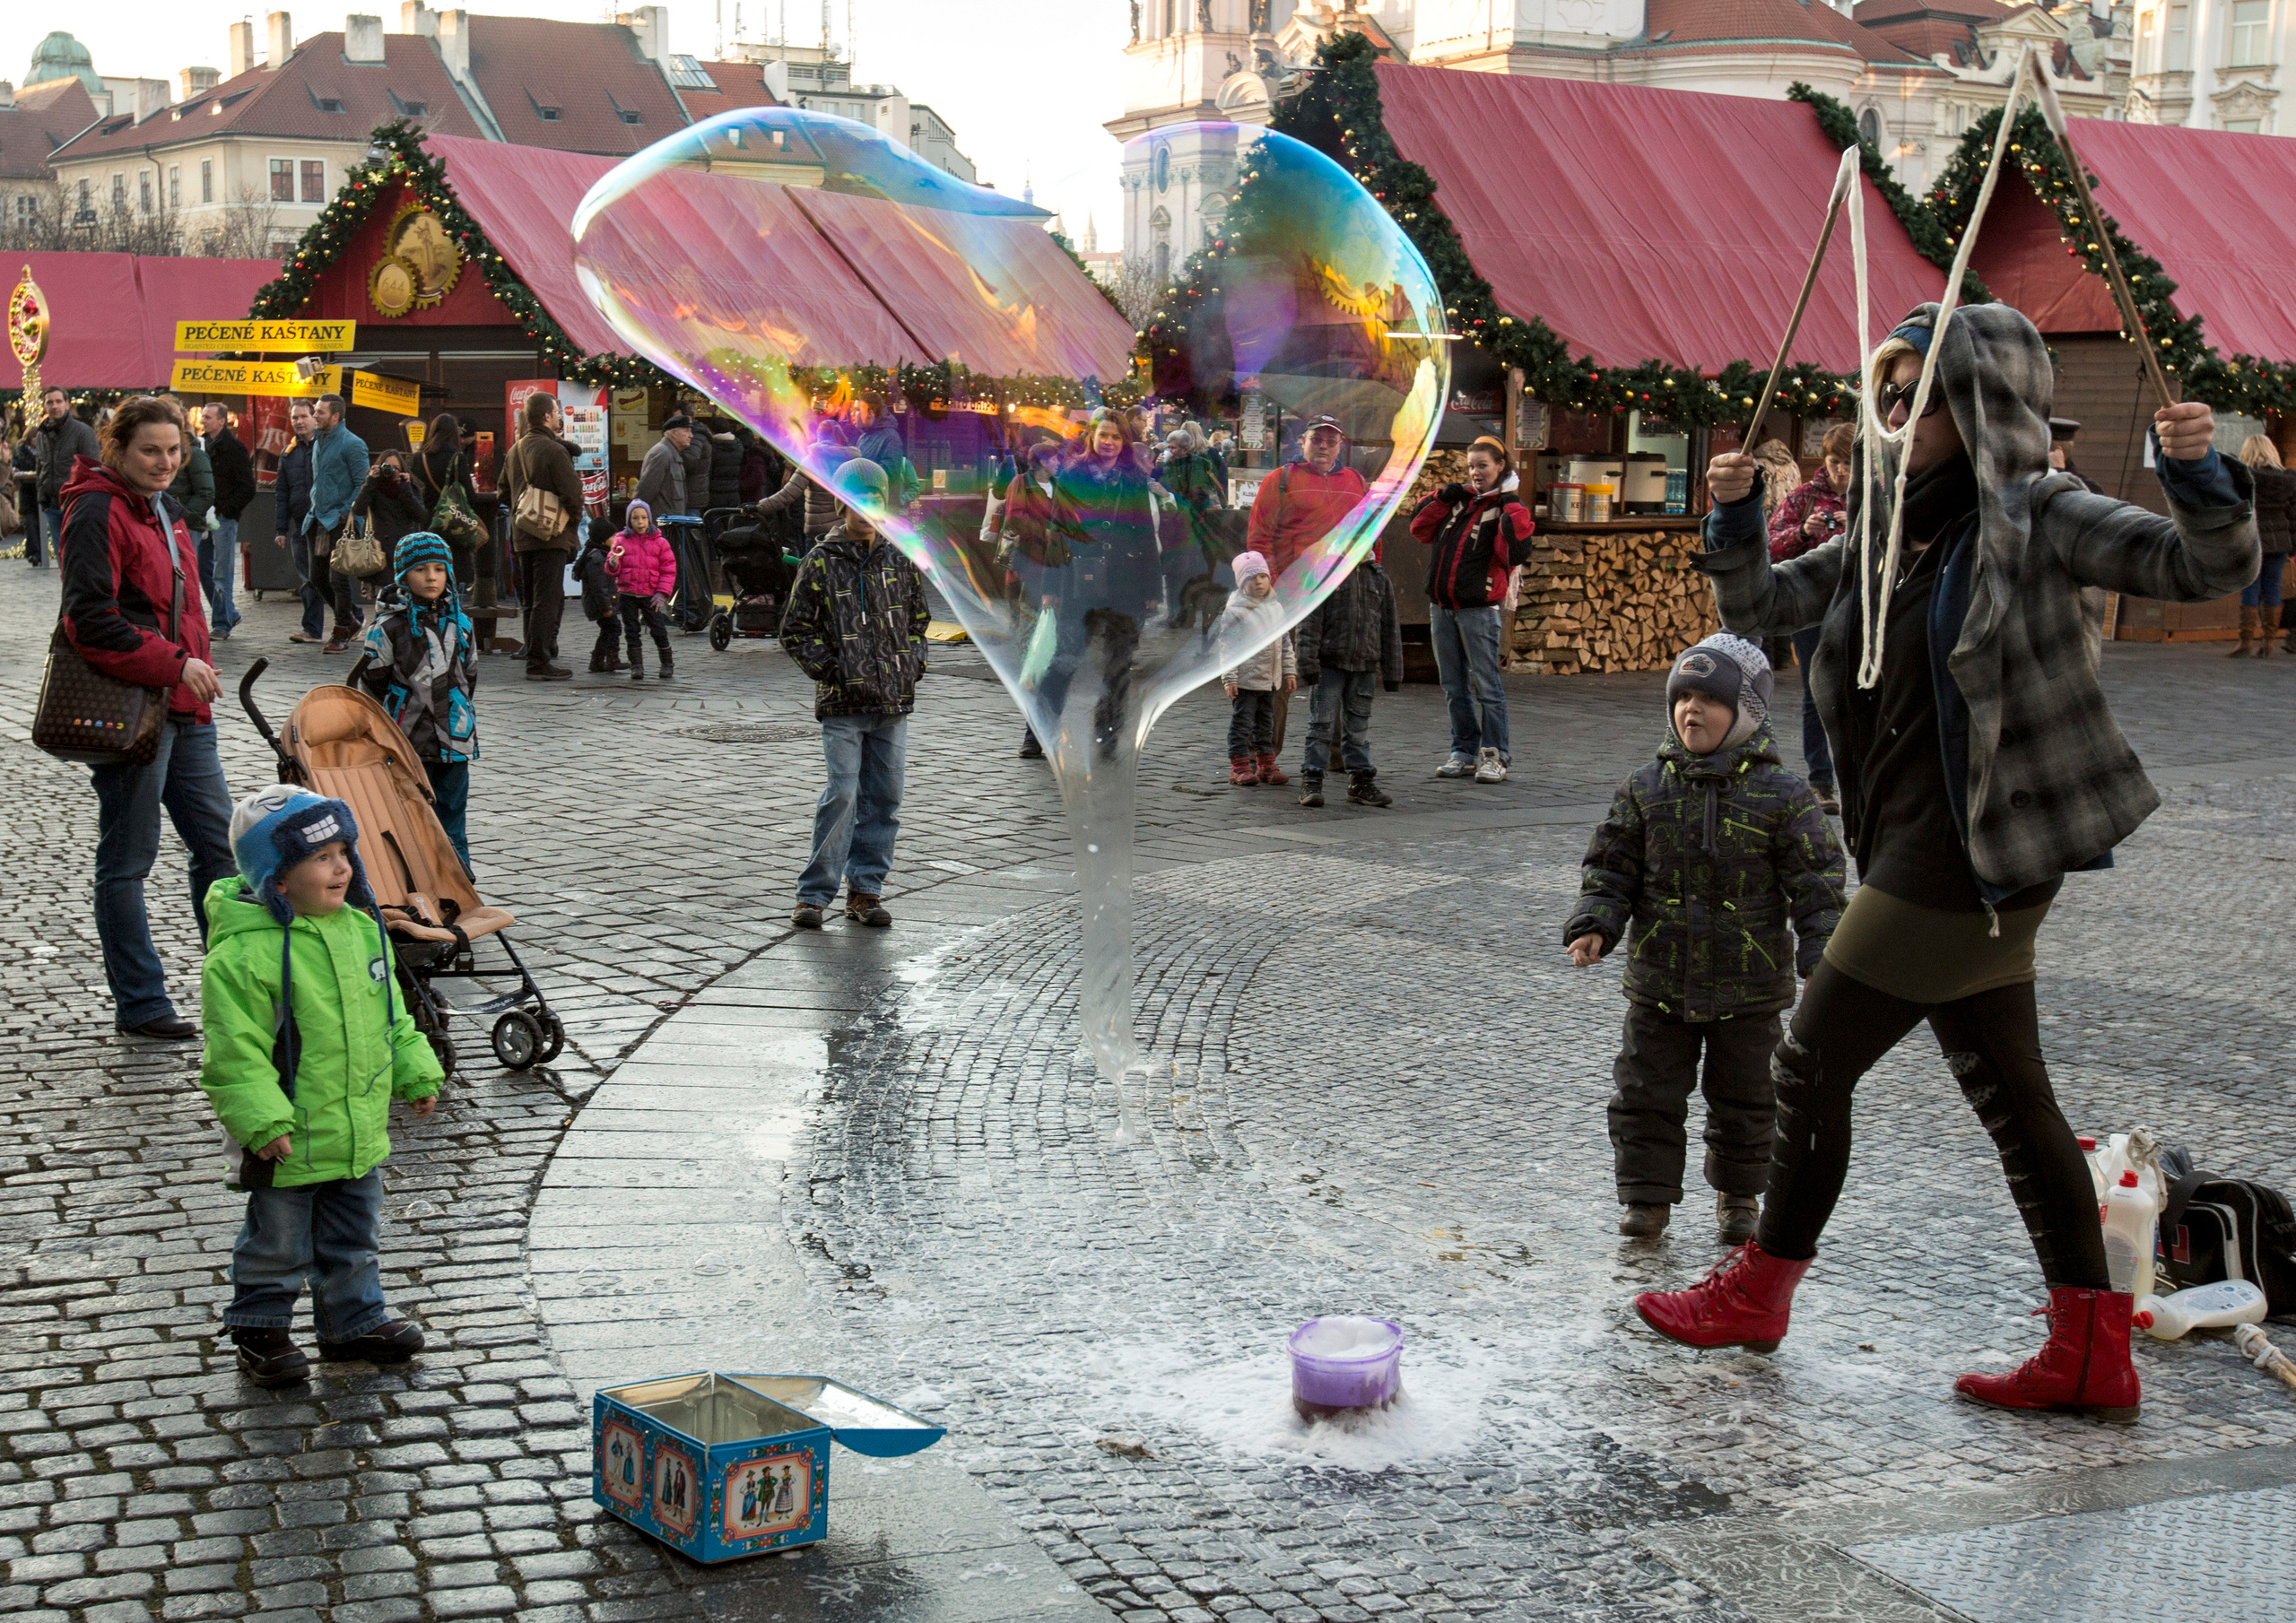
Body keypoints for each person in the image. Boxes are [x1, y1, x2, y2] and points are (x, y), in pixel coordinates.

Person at [1636, 302, 2258, 1423]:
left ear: (1978, 403)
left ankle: (1759, 1292)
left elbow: (2204, 564)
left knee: (1807, 1062)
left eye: (1919, 392)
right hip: (1909, 833)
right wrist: (1734, 517)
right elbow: (1763, 607)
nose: (1895, 409)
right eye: (1887, 389)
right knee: (2012, 1094)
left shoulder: (2040, 511)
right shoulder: (1889, 527)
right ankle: (2089, 1353)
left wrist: (2196, 470)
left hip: (1972, 850)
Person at [1566, 635, 1845, 1244]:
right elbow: (1611, 868)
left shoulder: (1784, 796)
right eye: (1682, 697)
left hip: (1749, 988)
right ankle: (1647, 1197)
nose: (1691, 709)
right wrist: (1595, 923)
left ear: (1746, 713)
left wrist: (1821, 954)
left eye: (1710, 699)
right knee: (1644, 1093)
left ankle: (1739, 1194)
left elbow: (1818, 884)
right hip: (1659, 984)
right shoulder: (1645, 788)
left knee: (1748, 1097)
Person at [201, 783, 443, 1387]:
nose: (342, 868)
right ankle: (260, 1327)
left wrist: (415, 1067)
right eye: (322, 857)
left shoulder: (360, 930)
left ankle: (352, 1320)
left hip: (355, 1128)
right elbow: (235, 1054)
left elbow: (391, 1016)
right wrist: (261, 1120)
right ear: (278, 879)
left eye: (344, 852)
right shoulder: (243, 957)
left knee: (354, 1235)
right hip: (286, 1133)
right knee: (278, 1241)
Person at [59, 395, 233, 1038]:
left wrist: (189, 669)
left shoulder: (165, 508)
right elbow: (89, 619)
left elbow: (180, 607)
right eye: (150, 451)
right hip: (134, 707)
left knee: (222, 852)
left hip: (186, 708)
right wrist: (174, 664)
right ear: (118, 448)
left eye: (174, 450)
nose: (165, 462)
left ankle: (236, 987)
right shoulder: (97, 508)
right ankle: (141, 1003)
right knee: (128, 860)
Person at [778, 459, 929, 931]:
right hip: (844, 704)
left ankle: (866, 890)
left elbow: (918, 621)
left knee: (884, 799)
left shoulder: (899, 557)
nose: (865, 510)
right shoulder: (821, 561)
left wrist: (911, 664)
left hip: (891, 703)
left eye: (874, 501)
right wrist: (834, 670)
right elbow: (795, 629)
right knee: (842, 794)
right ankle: (813, 895)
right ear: (842, 505)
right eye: (857, 501)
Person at [1409, 435, 1531, 785]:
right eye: (1471, 466)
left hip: (1479, 610)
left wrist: (1510, 504)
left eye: (1483, 466)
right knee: (1453, 686)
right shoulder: (1460, 502)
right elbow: (1419, 529)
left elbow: (1514, 553)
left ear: (1501, 467)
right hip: (1442, 607)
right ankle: (1463, 752)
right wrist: (1441, 497)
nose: (1476, 472)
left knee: (1487, 687)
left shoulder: (1508, 508)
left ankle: (1495, 755)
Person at [359, 532, 480, 868]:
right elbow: (373, 682)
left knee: (452, 819)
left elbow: (469, 675)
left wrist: (459, 714)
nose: (431, 577)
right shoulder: (388, 628)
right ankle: (416, 881)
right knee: (410, 818)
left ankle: (459, 883)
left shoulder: (461, 623)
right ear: (403, 575)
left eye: (439, 569)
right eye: (421, 569)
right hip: (408, 741)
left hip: (454, 740)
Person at [1767, 423, 1854, 814]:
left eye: (1848, 463)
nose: (1841, 471)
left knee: (1859, 690)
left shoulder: (1876, 494)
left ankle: (1857, 775)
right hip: (1811, 609)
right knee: (1815, 692)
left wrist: (1859, 525)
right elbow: (1771, 545)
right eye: (1835, 462)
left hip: (1858, 603)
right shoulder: (1803, 497)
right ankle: (1821, 781)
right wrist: (1803, 531)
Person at [1291, 534, 1405, 809]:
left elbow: (1390, 627)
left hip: (1364, 665)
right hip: (1329, 663)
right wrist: (1307, 663)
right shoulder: (1326, 574)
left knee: (1358, 728)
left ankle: (1360, 781)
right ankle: (1312, 778)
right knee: (1321, 724)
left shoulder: (1379, 578)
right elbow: (1310, 621)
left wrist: (1393, 672)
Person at [503, 392, 586, 681]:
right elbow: (573, 494)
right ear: (547, 416)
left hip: (522, 533)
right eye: (557, 412)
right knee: (547, 599)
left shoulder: (514, 451)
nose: (559, 417)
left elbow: (503, 492)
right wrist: (572, 521)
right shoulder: (554, 450)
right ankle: (539, 662)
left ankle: (534, 651)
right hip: (550, 534)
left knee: (530, 599)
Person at [1219, 551, 1296, 786]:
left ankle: (1266, 765)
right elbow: (1228, 647)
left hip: (1270, 680)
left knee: (1266, 725)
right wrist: (1230, 678)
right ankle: (1239, 766)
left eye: (1263, 576)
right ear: (1242, 584)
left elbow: (1285, 643)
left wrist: (1289, 671)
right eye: (1252, 578)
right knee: (1242, 725)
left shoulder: (1276, 608)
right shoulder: (1235, 611)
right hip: (1246, 681)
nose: (1259, 582)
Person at [304, 393, 370, 653]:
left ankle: (341, 630)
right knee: (317, 577)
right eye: (315, 411)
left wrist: (346, 512)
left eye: (320, 412)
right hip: (318, 519)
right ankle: (350, 618)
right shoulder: (318, 440)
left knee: (338, 579)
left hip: (342, 521)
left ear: (335, 416)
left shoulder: (352, 444)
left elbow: (363, 483)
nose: (315, 416)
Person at [2233, 435, 2294, 658]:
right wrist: (2292, 544)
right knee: (2273, 587)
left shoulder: (2243, 478)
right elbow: (2294, 515)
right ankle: (2268, 643)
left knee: (2250, 587)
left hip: (2250, 538)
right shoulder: (2288, 480)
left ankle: (2245, 642)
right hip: (2279, 541)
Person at [605, 498, 678, 682]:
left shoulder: (660, 542)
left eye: (644, 518)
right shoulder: (621, 540)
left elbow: (669, 570)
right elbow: (612, 567)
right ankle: (636, 665)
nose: (640, 522)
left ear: (649, 519)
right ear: (629, 520)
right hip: (627, 594)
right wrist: (613, 563)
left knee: (658, 629)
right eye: (635, 518)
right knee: (631, 630)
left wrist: (662, 593)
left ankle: (667, 663)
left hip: (650, 594)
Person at [271, 401, 325, 643]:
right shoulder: (288, 453)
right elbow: (282, 493)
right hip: (300, 525)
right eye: (295, 418)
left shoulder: (325, 446)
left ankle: (351, 617)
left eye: (304, 416)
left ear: (314, 418)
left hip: (324, 524)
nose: (299, 422)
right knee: (308, 578)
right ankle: (312, 629)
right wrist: (281, 529)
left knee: (328, 578)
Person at [202, 403, 257, 639]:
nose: (203, 420)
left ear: (222, 421)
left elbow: (247, 488)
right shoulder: (200, 445)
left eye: (208, 417)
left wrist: (227, 510)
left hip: (223, 517)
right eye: (203, 416)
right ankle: (229, 612)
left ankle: (222, 624)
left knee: (222, 572)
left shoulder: (234, 448)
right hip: (203, 517)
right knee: (202, 567)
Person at [34, 386, 100, 569]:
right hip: (52, 505)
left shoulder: (82, 432)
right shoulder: (42, 434)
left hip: (76, 505)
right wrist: (42, 496)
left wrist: (86, 500)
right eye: (50, 402)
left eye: (58, 401)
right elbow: (40, 467)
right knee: (62, 560)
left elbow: (93, 469)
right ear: (44, 405)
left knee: (81, 559)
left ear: (67, 404)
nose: (54, 406)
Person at [168, 417, 217, 633]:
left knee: (186, 581)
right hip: (169, 522)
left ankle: (198, 631)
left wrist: (182, 517)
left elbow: (206, 492)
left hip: (186, 524)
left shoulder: (194, 455)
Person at [2047, 417, 2105, 495]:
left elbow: (2070, 500)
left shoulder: (2091, 489)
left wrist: (2058, 472)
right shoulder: (2090, 488)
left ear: (2056, 451)